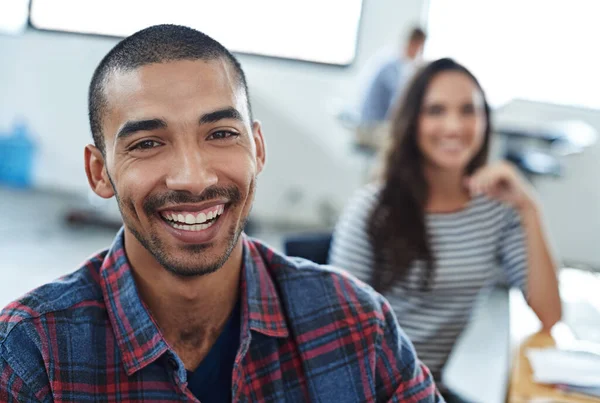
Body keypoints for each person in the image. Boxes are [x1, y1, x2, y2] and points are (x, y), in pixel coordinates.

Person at [0, 25, 443, 402]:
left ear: (259, 148)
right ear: (99, 173)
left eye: (221, 133)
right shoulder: (33, 355)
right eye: (148, 143)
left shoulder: (355, 324)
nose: (193, 179)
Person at [330, 58, 562, 402]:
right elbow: (335, 337)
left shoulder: (498, 210)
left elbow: (549, 314)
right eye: (436, 110)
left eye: (468, 110)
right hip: (368, 389)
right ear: (413, 122)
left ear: (485, 120)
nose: (454, 126)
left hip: (429, 387)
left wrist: (530, 208)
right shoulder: (373, 208)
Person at [359, 27, 427, 125]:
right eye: (420, 48)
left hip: (374, 121)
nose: (419, 53)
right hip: (372, 125)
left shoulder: (395, 61)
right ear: (414, 44)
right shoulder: (392, 67)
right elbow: (399, 103)